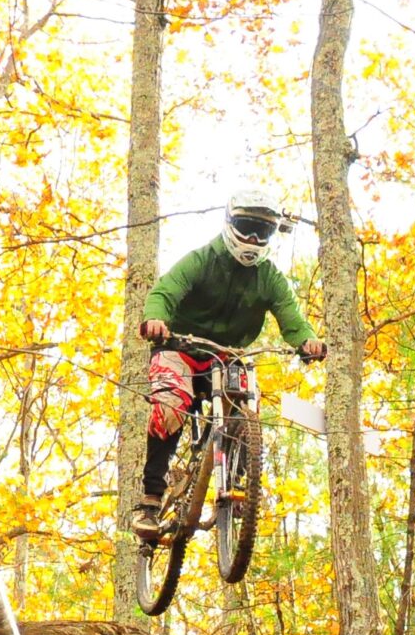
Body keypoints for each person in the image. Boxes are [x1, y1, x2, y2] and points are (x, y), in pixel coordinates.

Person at [134, 191, 326, 530]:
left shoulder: (269, 277)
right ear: (230, 224)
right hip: (180, 347)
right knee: (169, 405)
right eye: (246, 227)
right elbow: (166, 291)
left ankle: (240, 484)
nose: (252, 239)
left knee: (243, 400)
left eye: (261, 231)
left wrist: (306, 341)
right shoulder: (203, 260)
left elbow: (291, 317)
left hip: (226, 356)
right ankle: (151, 499)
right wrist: (155, 319)